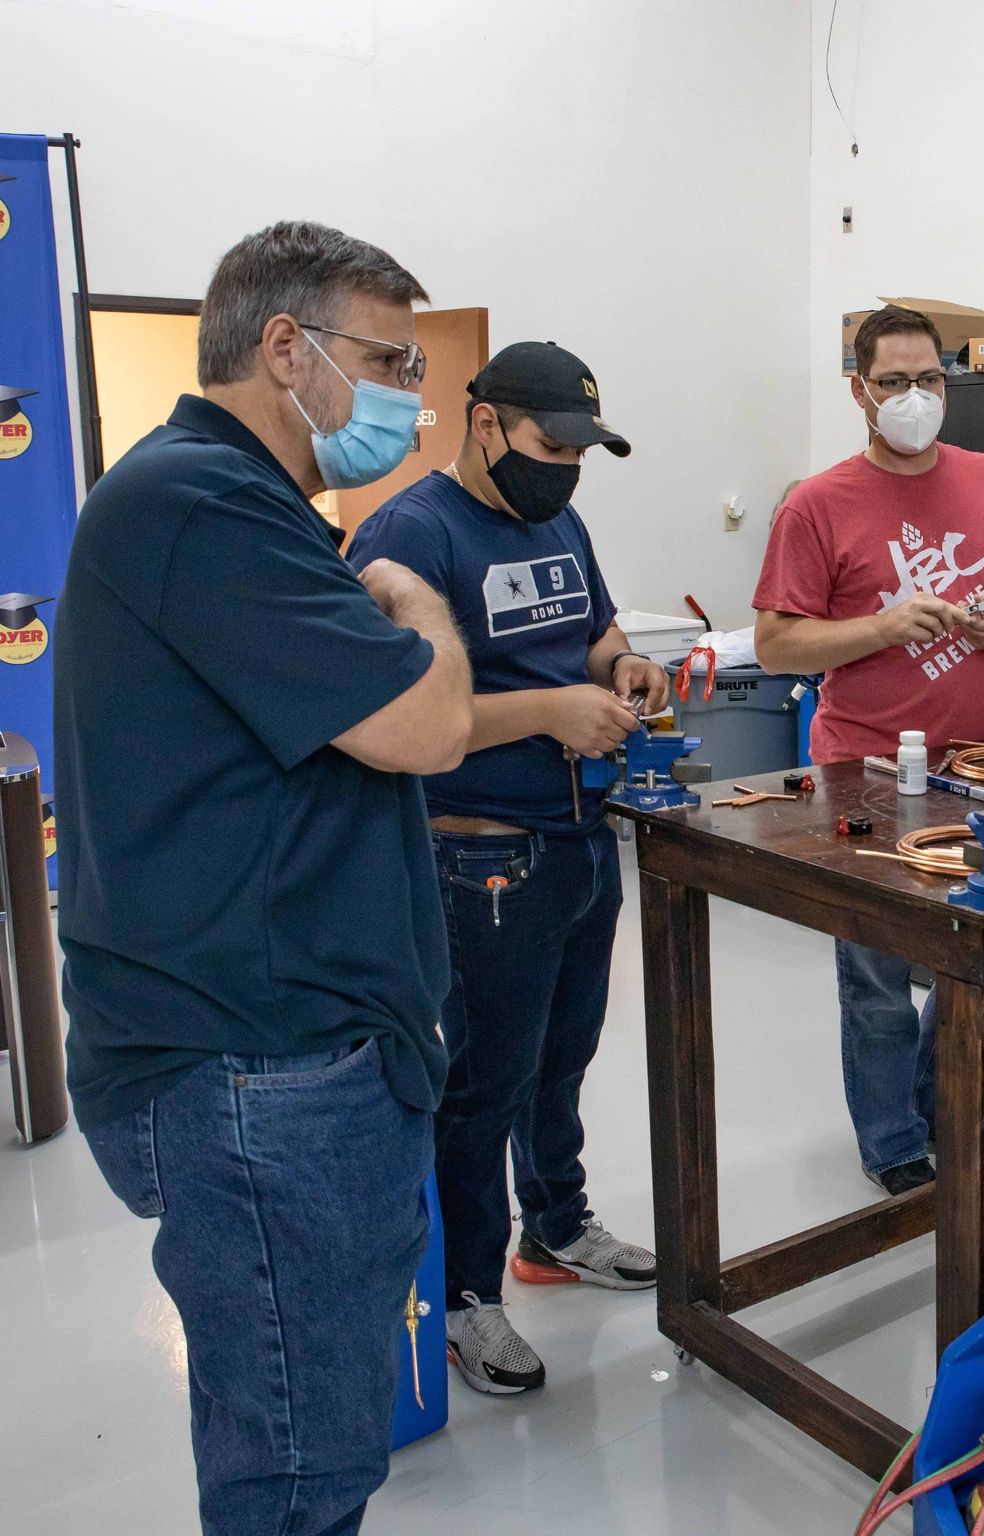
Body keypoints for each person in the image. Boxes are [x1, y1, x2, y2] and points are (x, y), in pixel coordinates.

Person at [55, 221, 472, 1534]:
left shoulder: (251, 509)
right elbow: (422, 726)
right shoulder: (201, 504)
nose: (409, 391)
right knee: (296, 1468)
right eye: (389, 358)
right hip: (254, 1070)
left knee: (311, 1431)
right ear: (285, 347)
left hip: (287, 1048)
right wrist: (420, 599)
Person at [347, 342, 669, 1396]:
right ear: (485, 425)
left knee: (560, 1058)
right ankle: (465, 1296)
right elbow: (395, 716)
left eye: (583, 451)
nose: (566, 467)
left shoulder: (557, 518)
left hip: (579, 839)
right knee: (482, 1083)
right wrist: (551, 713)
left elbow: (594, 630)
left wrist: (622, 668)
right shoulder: (409, 535)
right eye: (550, 445)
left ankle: (557, 1228)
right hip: (479, 856)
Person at [753, 304, 984, 1196]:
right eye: (894, 382)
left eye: (930, 379)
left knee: (976, 950)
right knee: (877, 969)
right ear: (859, 391)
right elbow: (776, 645)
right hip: (870, 772)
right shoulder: (818, 504)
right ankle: (893, 1144)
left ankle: (937, 1105)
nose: (915, 397)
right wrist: (880, 626)